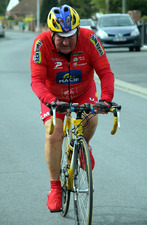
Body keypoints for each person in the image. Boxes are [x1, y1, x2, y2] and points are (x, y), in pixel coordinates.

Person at [30, 5, 114, 212]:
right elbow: (37, 80)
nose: (66, 41)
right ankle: (55, 188)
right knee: (54, 135)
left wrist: (106, 99)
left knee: (91, 119)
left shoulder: (90, 39)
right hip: (53, 96)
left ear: (77, 31)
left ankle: (84, 147)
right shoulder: (40, 43)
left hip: (83, 91)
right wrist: (51, 100)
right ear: (52, 33)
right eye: (60, 37)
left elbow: (105, 72)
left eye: (70, 35)